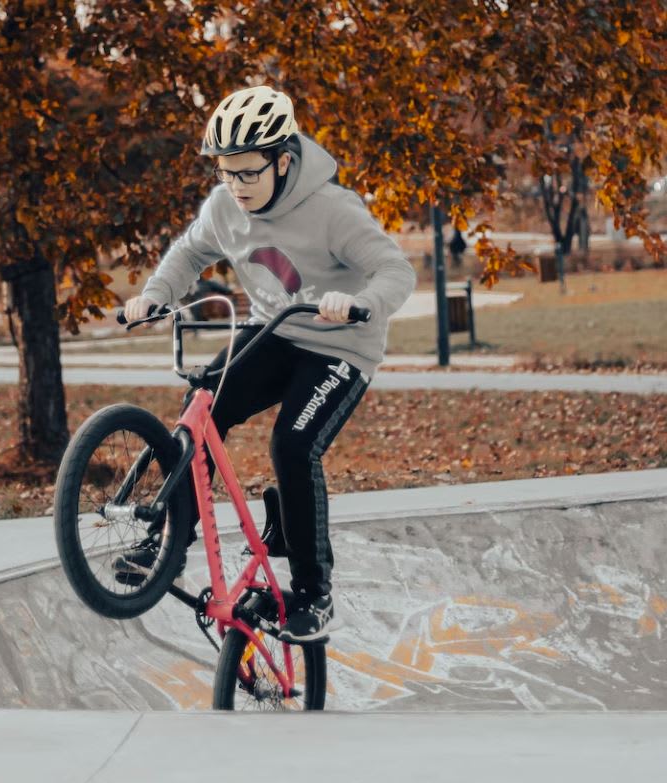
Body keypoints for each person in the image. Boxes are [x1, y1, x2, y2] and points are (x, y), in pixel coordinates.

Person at [118, 85, 416, 643]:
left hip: (339, 346)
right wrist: (156, 294)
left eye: (248, 173)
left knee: (293, 445)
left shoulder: (333, 210)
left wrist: (360, 304)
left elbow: (395, 271)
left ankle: (313, 593)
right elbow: (188, 252)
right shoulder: (223, 207)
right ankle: (171, 541)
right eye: (227, 173)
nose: (236, 186)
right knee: (200, 412)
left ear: (284, 161)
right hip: (272, 332)